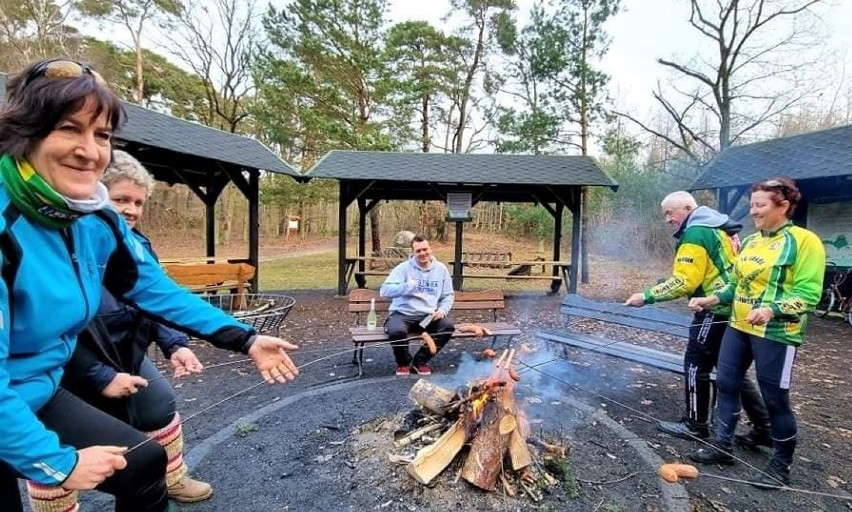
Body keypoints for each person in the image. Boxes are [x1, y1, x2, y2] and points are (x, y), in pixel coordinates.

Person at [0, 58, 299, 512]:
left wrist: (248, 338)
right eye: (68, 128)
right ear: (26, 134)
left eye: (101, 135)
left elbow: (157, 292)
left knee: (143, 463)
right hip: (8, 398)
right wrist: (56, 463)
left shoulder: (93, 219)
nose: (89, 150)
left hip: (37, 389)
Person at [25, 150, 214, 510]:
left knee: (159, 404)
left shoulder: (138, 246)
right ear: (95, 194)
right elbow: (52, 329)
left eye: (138, 202)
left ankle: (171, 478)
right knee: (56, 438)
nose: (131, 209)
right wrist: (101, 376)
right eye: (121, 199)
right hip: (67, 364)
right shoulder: (63, 244)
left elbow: (154, 301)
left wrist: (176, 344)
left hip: (124, 352)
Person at [687, 178, 825, 489]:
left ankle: (781, 465)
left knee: (775, 398)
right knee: (726, 382)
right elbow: (736, 284)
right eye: (752, 205)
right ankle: (722, 445)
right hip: (739, 325)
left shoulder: (804, 242)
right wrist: (712, 298)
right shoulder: (750, 242)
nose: (754, 212)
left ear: (784, 206)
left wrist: (771, 309)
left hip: (777, 331)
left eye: (760, 205)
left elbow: (809, 293)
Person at [625, 191, 771, 443]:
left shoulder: (695, 232)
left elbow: (685, 280)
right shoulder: (719, 228)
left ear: (687, 208)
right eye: (665, 215)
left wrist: (646, 296)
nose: (668, 219)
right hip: (733, 308)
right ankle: (765, 426)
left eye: (670, 213)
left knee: (695, 365)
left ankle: (695, 424)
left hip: (713, 310)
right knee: (731, 371)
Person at [380, 235, 455, 376]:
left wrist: (443, 310)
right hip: (403, 314)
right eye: (418, 251)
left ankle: (420, 361)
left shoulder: (441, 269)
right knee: (396, 331)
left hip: (428, 316)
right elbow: (384, 291)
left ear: (430, 249)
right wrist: (407, 286)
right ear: (413, 253)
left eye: (425, 249)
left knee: (447, 327)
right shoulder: (403, 268)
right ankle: (403, 363)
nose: (422, 253)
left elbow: (448, 295)